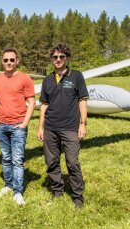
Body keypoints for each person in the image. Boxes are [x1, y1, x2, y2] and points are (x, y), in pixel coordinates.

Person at [37, 43, 88, 209]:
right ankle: (57, 191)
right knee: (51, 162)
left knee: (72, 162)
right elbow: (44, 105)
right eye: (55, 57)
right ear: (51, 59)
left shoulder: (77, 76)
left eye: (61, 57)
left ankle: (77, 197)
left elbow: (82, 100)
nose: (58, 60)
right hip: (51, 127)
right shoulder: (47, 80)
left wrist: (83, 124)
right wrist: (40, 127)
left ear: (67, 58)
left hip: (70, 128)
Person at [0, 49, 36, 205]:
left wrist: (24, 123)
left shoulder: (25, 78)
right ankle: (8, 185)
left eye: (11, 60)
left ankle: (18, 191)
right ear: (2, 61)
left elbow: (32, 102)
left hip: (18, 126)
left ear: (17, 61)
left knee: (17, 159)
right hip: (0, 125)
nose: (8, 63)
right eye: (6, 60)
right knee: (6, 158)